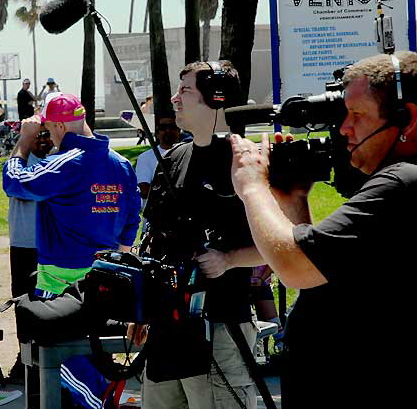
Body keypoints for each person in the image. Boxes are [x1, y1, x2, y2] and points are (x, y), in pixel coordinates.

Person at [227, 51, 417, 408]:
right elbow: (318, 272)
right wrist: (293, 197)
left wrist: (251, 185)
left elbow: (294, 265)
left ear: (406, 119)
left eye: (357, 116)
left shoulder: (401, 182)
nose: (344, 128)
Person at [140, 61, 258, 409]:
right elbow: (152, 237)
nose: (174, 99)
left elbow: (281, 245)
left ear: (217, 97)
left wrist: (229, 259)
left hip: (221, 328)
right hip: (165, 329)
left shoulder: (248, 161)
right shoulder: (173, 158)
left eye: (185, 91)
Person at [3, 93, 140, 298]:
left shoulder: (65, 163)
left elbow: (13, 181)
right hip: (107, 274)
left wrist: (25, 139)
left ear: (60, 126)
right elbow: (132, 217)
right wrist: (119, 257)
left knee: (54, 330)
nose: (49, 137)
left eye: (49, 130)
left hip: (59, 279)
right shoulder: (121, 163)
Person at [5, 127, 54, 381]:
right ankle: (25, 360)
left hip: (51, 246)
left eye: (47, 134)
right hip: (23, 245)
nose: (43, 140)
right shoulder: (19, 160)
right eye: (38, 135)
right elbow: (12, 186)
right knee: (23, 304)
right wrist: (22, 141)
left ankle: (48, 359)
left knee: (50, 305)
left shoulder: (60, 161)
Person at [135, 113, 180, 209]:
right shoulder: (145, 158)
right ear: (157, 133)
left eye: (172, 127)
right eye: (163, 127)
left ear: (178, 130)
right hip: (156, 216)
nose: (168, 130)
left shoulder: (189, 153)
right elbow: (144, 190)